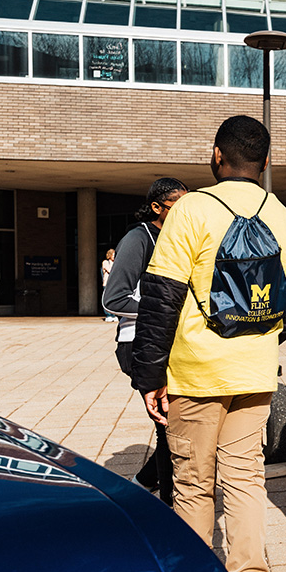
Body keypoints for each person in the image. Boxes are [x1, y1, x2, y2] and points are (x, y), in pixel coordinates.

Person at [130, 115, 286, 572]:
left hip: (195, 372)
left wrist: (148, 373)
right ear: (266, 163)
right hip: (255, 376)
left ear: (216, 155)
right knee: (246, 483)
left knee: (190, 485)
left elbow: (160, 299)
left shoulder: (191, 210)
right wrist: (254, 345)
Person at [103, 177, 189, 506]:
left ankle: (144, 481)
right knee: (171, 428)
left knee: (178, 425)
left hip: (174, 344)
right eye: (177, 206)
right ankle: (169, 507)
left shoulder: (182, 238)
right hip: (139, 345)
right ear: (157, 207)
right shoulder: (139, 238)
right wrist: (167, 311)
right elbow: (113, 300)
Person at [101, 249, 116, 321]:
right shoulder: (105, 262)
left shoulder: (116, 263)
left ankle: (114, 315)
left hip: (114, 284)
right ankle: (108, 315)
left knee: (114, 299)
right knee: (107, 299)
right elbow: (111, 271)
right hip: (107, 284)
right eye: (113, 255)